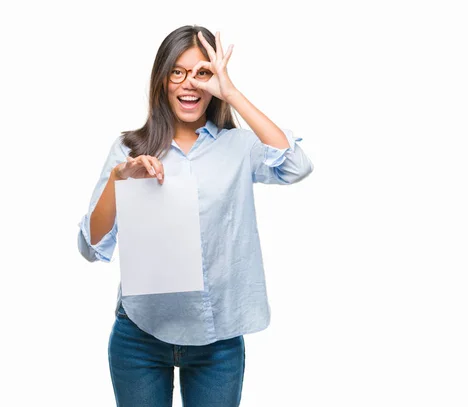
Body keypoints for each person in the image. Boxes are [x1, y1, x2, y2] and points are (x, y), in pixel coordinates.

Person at [76, 25, 313, 407]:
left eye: (202, 72)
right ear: (163, 80)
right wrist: (120, 180)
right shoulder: (129, 149)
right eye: (178, 72)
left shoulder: (239, 146)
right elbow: (91, 246)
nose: (190, 83)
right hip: (140, 336)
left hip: (217, 340)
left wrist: (232, 93)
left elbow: (296, 166)